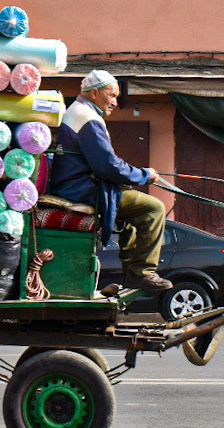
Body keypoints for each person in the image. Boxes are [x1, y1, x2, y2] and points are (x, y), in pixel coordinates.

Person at [46, 69, 172, 293]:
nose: (115, 102)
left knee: (134, 213)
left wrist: (132, 176)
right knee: (154, 208)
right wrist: (144, 175)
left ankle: (133, 273)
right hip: (82, 190)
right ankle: (142, 273)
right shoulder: (88, 118)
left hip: (75, 185)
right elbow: (108, 165)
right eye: (111, 95)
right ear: (95, 93)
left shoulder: (78, 112)